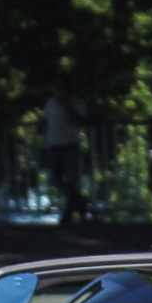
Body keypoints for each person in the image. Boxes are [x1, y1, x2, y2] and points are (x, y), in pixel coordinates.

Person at [42, 89, 88, 223]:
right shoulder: (50, 103)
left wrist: (67, 105)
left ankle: (69, 214)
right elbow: (45, 120)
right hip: (53, 145)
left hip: (70, 145)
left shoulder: (77, 102)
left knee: (73, 180)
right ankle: (79, 200)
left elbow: (79, 120)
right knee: (54, 179)